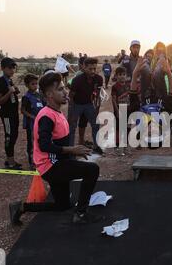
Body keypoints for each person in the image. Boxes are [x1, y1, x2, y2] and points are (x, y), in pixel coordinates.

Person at [8, 72, 102, 226]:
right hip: (51, 166)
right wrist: (72, 150)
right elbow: (44, 146)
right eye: (60, 89)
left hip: (56, 163)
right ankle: (81, 214)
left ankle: (21, 207)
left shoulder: (56, 112)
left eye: (64, 88)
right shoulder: (46, 116)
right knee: (92, 170)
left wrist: (73, 156)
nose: (65, 92)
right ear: (49, 95)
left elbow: (59, 142)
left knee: (62, 205)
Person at [69, 57, 104, 155]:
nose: (93, 71)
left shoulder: (98, 79)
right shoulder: (77, 80)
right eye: (90, 69)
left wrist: (97, 107)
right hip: (77, 104)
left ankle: (96, 146)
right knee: (72, 127)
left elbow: (98, 94)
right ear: (84, 68)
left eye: (94, 68)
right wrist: (71, 112)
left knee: (96, 124)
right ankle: (71, 149)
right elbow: (70, 96)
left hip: (89, 104)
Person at [0, 57, 22, 170]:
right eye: (9, 68)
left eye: (13, 68)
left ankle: (9, 159)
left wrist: (15, 90)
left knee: (14, 135)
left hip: (13, 113)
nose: (12, 70)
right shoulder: (1, 81)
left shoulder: (9, 80)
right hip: (7, 115)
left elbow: (12, 94)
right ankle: (10, 162)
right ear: (3, 68)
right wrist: (9, 92)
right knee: (9, 136)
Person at [21, 74, 45, 170]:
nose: (35, 86)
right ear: (27, 85)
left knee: (40, 140)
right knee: (31, 142)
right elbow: (22, 110)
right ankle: (32, 162)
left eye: (36, 84)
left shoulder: (39, 95)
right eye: (32, 84)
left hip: (40, 122)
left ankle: (40, 159)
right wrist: (33, 117)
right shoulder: (26, 97)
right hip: (31, 124)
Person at [111, 66, 131, 156]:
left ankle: (125, 146)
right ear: (116, 76)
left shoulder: (128, 85)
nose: (122, 76)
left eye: (124, 74)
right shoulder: (115, 87)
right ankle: (117, 147)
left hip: (127, 109)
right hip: (119, 110)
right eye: (120, 75)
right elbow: (114, 100)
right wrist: (117, 111)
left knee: (127, 128)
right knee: (119, 129)